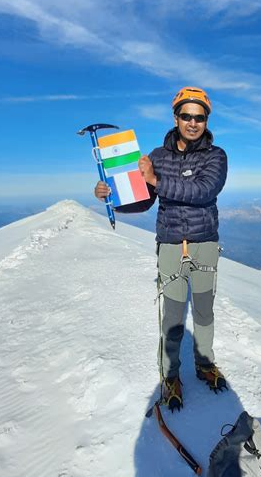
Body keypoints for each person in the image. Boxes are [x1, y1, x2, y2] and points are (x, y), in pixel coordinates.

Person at [94, 86, 228, 411]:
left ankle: (205, 364)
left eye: (199, 117)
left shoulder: (215, 156)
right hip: (170, 245)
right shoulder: (157, 156)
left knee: (204, 311)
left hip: (205, 245)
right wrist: (111, 196)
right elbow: (144, 200)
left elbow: (202, 190)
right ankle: (171, 377)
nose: (193, 122)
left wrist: (155, 180)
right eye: (186, 115)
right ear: (176, 117)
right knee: (172, 317)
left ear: (206, 120)